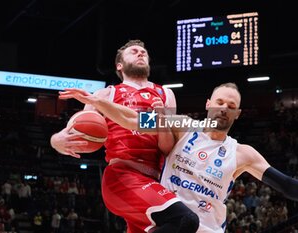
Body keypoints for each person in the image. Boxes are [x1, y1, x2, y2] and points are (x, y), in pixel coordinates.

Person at [58, 82, 298, 233]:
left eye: (231, 106)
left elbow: (284, 184)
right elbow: (134, 120)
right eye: (219, 102)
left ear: (237, 114)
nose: (224, 108)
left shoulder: (242, 152)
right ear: (208, 105)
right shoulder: (183, 126)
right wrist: (98, 102)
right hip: (170, 222)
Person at [50, 40, 199, 233]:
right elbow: (77, 127)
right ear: (119, 65)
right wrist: (57, 141)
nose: (140, 54)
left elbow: (167, 148)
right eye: (134, 51)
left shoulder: (165, 94)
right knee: (184, 220)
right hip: (123, 176)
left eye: (144, 52)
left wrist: (162, 119)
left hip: (154, 180)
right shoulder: (105, 94)